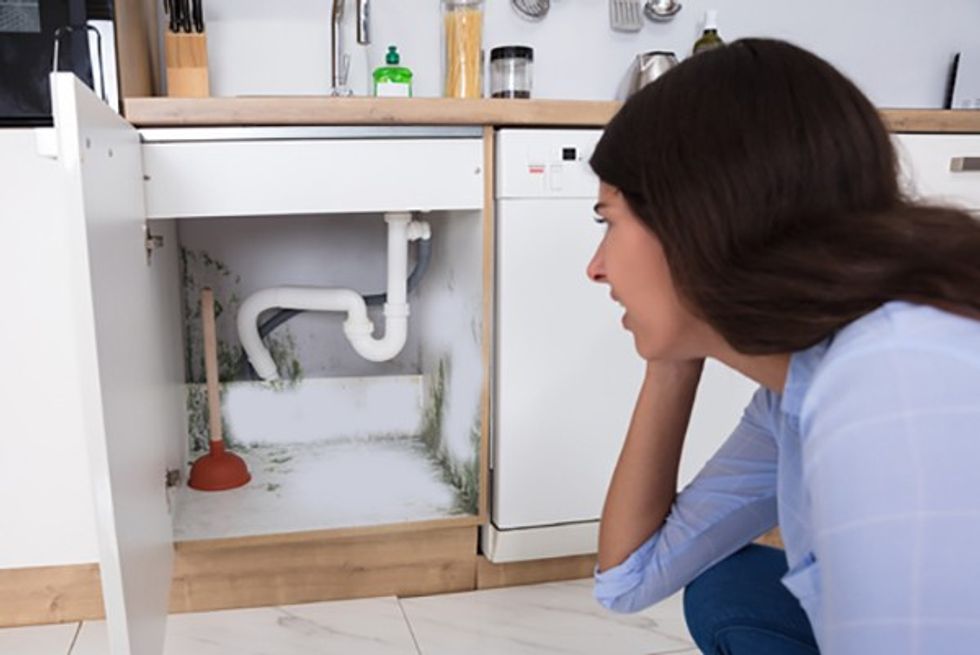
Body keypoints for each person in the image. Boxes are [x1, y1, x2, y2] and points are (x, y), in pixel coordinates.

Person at [586, 38, 980, 655]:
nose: (596, 267)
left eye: (607, 220)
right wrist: (672, 353)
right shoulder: (795, 391)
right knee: (727, 589)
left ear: (697, 216)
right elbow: (627, 581)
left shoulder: (894, 382)